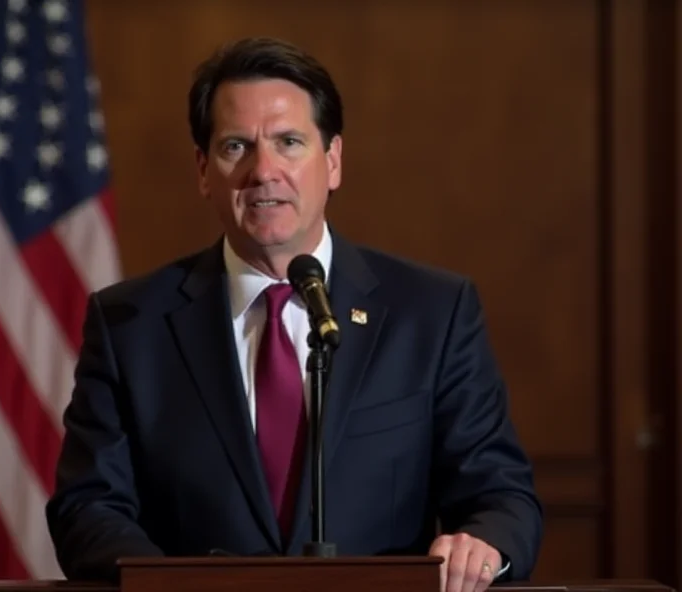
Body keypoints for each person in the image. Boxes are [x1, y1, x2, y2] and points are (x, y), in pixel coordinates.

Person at [45, 36, 543, 592]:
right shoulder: (129, 325)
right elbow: (88, 510)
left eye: (289, 142)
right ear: (204, 170)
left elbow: (502, 497)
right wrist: (174, 586)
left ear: (332, 161)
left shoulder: (431, 313)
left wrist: (482, 544)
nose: (264, 170)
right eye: (237, 146)